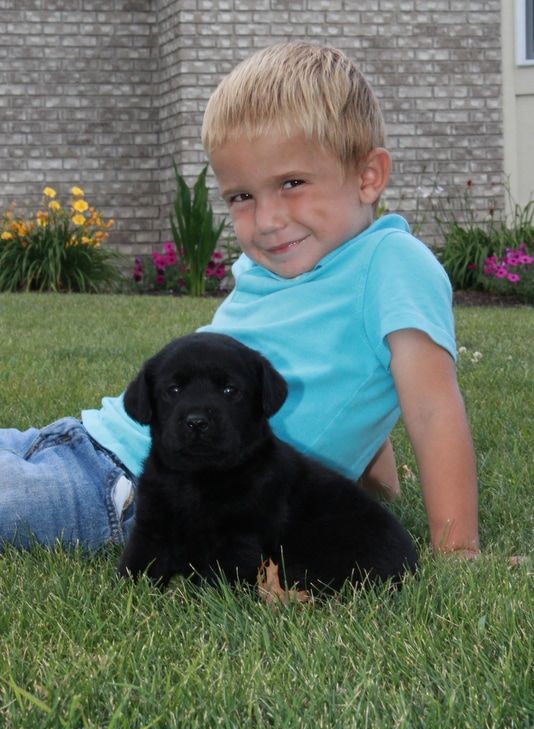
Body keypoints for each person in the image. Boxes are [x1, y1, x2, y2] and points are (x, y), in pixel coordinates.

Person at [0, 41, 479, 559]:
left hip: (131, 489)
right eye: (242, 197)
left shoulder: (392, 264)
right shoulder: (278, 266)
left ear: (368, 177)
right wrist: (375, 487)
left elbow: (431, 409)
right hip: (84, 438)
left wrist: (458, 548)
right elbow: (352, 378)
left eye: (292, 183)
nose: (268, 219)